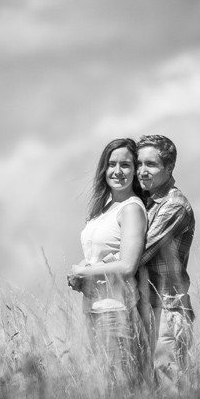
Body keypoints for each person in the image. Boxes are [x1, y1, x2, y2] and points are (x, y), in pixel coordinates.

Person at [67, 138, 149, 381]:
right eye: (112, 164)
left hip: (117, 310)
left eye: (125, 165)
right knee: (104, 387)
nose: (117, 171)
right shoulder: (104, 208)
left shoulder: (131, 209)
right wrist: (83, 268)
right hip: (95, 309)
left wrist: (82, 273)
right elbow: (97, 256)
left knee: (119, 389)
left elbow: (127, 266)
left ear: (135, 171)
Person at [136, 134, 196, 387]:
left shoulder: (174, 205)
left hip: (168, 312)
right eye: (139, 164)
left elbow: (139, 254)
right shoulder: (146, 202)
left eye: (150, 164)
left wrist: (93, 268)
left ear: (169, 167)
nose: (142, 171)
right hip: (149, 310)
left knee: (171, 392)